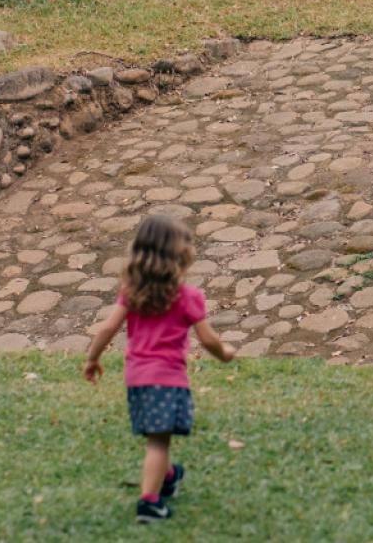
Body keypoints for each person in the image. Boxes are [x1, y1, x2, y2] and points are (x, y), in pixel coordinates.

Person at [84, 213, 236, 524]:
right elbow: (207, 339)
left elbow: (107, 328)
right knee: (158, 441)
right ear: (179, 254)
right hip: (168, 380)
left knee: (157, 434)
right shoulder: (188, 297)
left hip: (136, 378)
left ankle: (169, 476)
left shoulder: (131, 292)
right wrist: (225, 354)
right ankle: (149, 502)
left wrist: (92, 359)